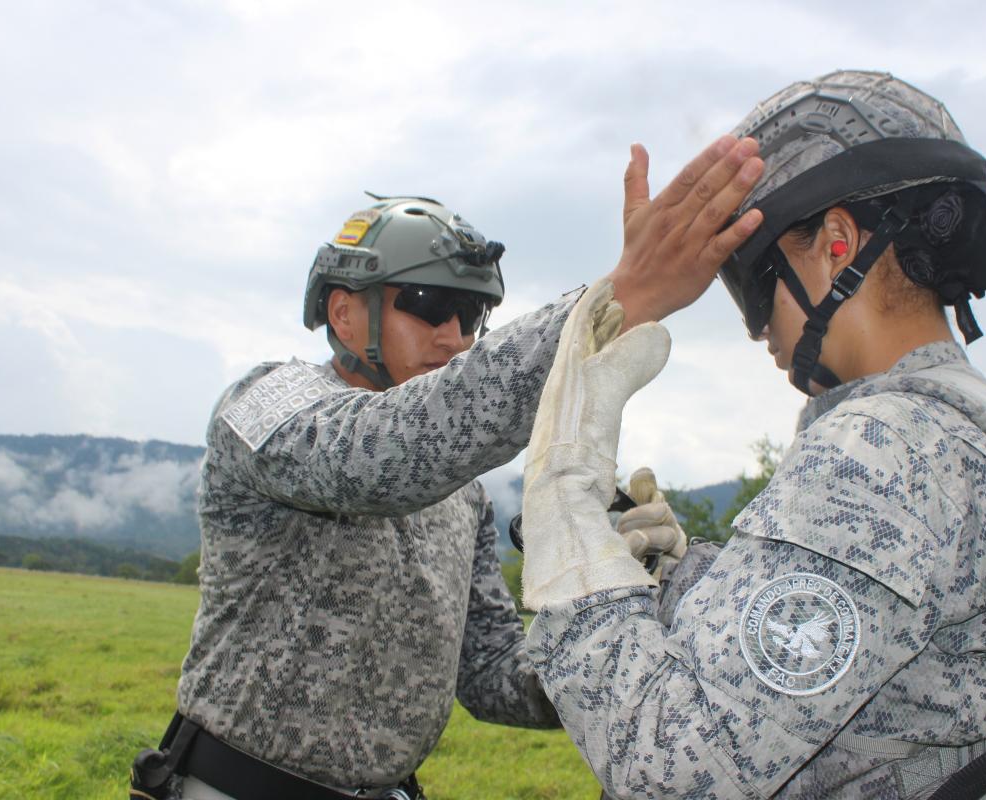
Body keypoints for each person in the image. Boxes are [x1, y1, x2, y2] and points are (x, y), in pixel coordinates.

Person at [130, 136, 767, 800]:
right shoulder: (268, 407)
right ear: (345, 313)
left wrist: (628, 606)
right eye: (430, 306)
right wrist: (619, 298)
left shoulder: (459, 493)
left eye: (471, 314)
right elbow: (383, 454)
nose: (455, 337)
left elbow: (493, 675)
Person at [520, 70, 986, 799]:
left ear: (837, 245)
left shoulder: (883, 450)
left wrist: (565, 513)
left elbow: (670, 776)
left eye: (755, 279)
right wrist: (688, 581)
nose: (756, 323)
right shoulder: (980, 423)